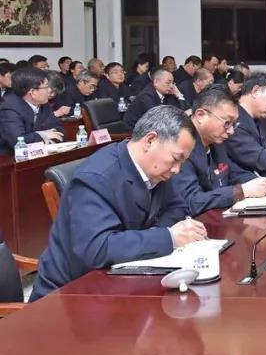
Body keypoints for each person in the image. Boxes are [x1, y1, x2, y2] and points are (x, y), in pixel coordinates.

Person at [30, 106, 206, 300]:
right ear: (150, 141)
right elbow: (97, 249)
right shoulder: (96, 178)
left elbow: (177, 207)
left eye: (182, 162)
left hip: (123, 280)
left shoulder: (157, 168)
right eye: (176, 159)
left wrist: (155, 236)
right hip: (70, 295)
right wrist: (168, 237)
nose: (177, 170)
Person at [172, 86, 266, 216]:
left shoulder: (216, 141)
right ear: (201, 115)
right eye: (227, 123)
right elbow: (192, 202)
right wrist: (241, 191)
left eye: (234, 124)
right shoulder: (180, 147)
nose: (231, 131)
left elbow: (233, 173)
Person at [0, 67, 64, 153]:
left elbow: (59, 128)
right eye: (46, 87)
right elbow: (18, 141)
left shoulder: (44, 104)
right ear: (33, 92)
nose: (49, 91)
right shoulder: (9, 108)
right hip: (9, 157)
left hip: (38, 153)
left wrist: (47, 135)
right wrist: (43, 134)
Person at [123, 68, 189, 129]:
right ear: (156, 82)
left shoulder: (167, 93)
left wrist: (179, 95)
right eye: (168, 83)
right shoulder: (146, 96)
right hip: (135, 131)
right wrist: (183, 114)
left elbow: (186, 109)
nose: (171, 86)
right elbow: (159, 119)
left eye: (173, 83)